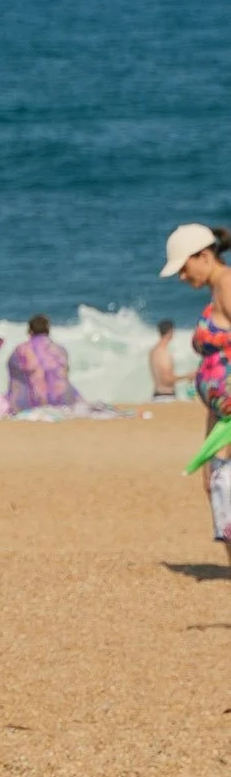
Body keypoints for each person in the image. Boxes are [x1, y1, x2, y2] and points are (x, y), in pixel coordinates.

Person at [161, 223, 231, 566]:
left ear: (204, 256)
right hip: (222, 416)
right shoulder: (216, 290)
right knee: (219, 489)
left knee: (226, 490)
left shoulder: (229, 285)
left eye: (183, 268)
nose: (181, 277)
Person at [6, 315, 81, 410]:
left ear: (30, 331)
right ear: (48, 330)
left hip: (31, 403)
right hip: (65, 401)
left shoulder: (20, 350)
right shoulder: (59, 350)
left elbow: (15, 380)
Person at [151, 319, 185, 400]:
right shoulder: (164, 352)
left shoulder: (153, 351)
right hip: (166, 396)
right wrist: (188, 376)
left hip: (158, 395)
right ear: (170, 332)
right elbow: (166, 380)